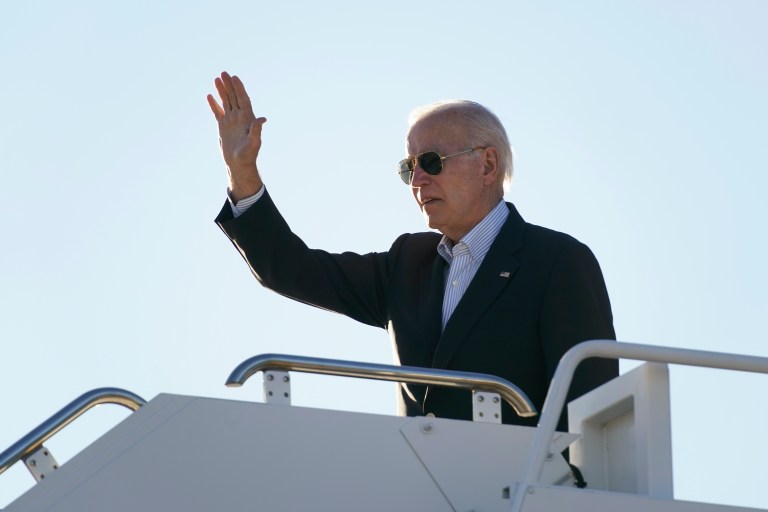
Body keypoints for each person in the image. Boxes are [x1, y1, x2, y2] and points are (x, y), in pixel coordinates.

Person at [209, 71, 617, 430]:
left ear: (488, 166)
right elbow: (291, 269)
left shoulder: (557, 260)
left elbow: (589, 404)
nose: (417, 179)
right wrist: (241, 172)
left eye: (432, 161)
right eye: (409, 168)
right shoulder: (408, 263)